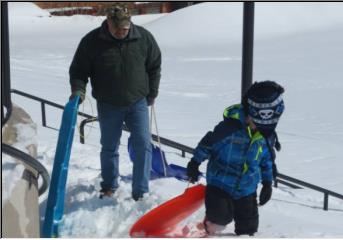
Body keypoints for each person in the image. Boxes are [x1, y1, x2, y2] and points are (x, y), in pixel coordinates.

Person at [69, 3, 162, 201]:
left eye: (125, 28)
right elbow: (78, 71)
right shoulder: (91, 42)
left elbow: (154, 65)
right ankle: (109, 185)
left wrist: (152, 92)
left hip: (137, 102)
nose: (121, 32)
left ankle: (141, 191)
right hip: (108, 104)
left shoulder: (143, 38)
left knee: (143, 145)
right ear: (108, 23)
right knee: (109, 146)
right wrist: (78, 90)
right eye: (117, 28)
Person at [186, 81, 285, 236]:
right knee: (219, 221)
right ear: (249, 114)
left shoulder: (265, 135)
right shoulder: (229, 129)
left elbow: (266, 160)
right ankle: (209, 223)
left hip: (247, 188)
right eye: (256, 123)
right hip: (220, 184)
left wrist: (267, 183)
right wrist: (194, 162)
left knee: (248, 229)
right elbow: (208, 144)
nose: (258, 128)